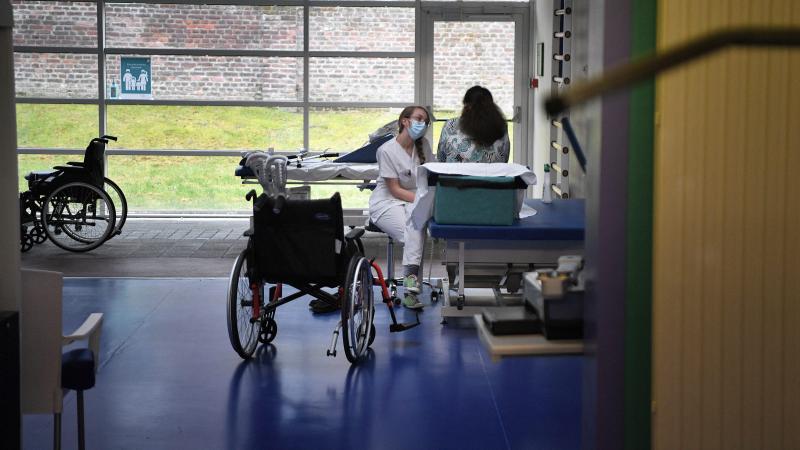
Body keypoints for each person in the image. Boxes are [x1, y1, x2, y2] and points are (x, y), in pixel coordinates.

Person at [368, 106, 435, 310]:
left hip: (414, 199)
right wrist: (422, 200)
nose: (423, 124)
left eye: (425, 122)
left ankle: (411, 288)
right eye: (419, 118)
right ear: (405, 121)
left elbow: (432, 175)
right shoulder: (386, 150)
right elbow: (395, 190)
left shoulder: (423, 145)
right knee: (413, 233)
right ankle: (411, 291)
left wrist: (428, 200)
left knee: (415, 230)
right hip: (386, 202)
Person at [437, 85, 510, 163]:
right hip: (492, 171)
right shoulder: (500, 126)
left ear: (466, 105)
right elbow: (504, 158)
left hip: (455, 171)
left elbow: (441, 158)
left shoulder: (450, 125)